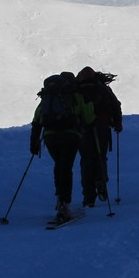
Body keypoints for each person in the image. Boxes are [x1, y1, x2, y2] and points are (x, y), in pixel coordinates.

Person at [30, 72, 95, 221]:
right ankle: (64, 204)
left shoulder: (48, 97)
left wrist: (34, 142)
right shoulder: (74, 95)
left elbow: (37, 119)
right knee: (66, 167)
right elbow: (88, 117)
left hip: (50, 138)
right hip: (70, 136)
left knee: (59, 165)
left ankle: (60, 199)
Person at [75, 66, 123, 207]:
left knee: (86, 160)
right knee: (100, 156)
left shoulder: (76, 88)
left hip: (83, 127)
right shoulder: (102, 87)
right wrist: (117, 123)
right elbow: (115, 105)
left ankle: (88, 197)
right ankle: (100, 180)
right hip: (102, 124)